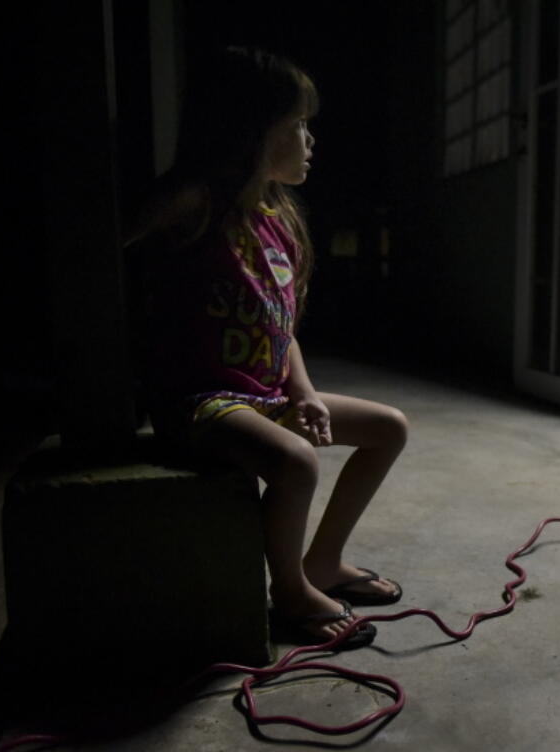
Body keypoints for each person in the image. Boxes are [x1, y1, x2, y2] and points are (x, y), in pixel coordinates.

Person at [129, 47, 407, 648]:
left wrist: (302, 392)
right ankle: (290, 593)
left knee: (389, 427)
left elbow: (281, 328)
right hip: (201, 402)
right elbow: (116, 244)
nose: (309, 140)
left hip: (263, 393)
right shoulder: (194, 205)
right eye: (297, 125)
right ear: (250, 131)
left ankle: (323, 563)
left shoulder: (278, 219)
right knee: (296, 462)